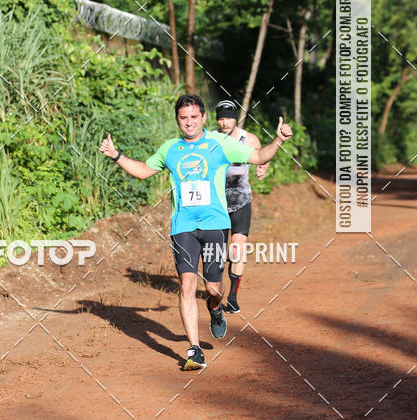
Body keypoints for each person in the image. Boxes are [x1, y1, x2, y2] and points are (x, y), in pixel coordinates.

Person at [99, 94, 292, 371]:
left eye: (193, 117)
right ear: (178, 120)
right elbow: (142, 171)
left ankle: (215, 308)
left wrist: (279, 141)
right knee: (186, 284)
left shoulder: (220, 144)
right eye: (183, 118)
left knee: (213, 288)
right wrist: (116, 155)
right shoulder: (170, 149)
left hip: (215, 224)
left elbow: (259, 156)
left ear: (203, 118)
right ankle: (195, 349)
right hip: (183, 227)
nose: (188, 122)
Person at [215, 99, 268, 313]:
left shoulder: (249, 139)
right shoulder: (212, 140)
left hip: (241, 200)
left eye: (228, 117)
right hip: (217, 201)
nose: (224, 122)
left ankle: (233, 297)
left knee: (237, 248)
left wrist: (263, 168)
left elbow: (262, 156)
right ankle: (215, 290)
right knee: (217, 252)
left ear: (235, 118)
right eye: (221, 118)